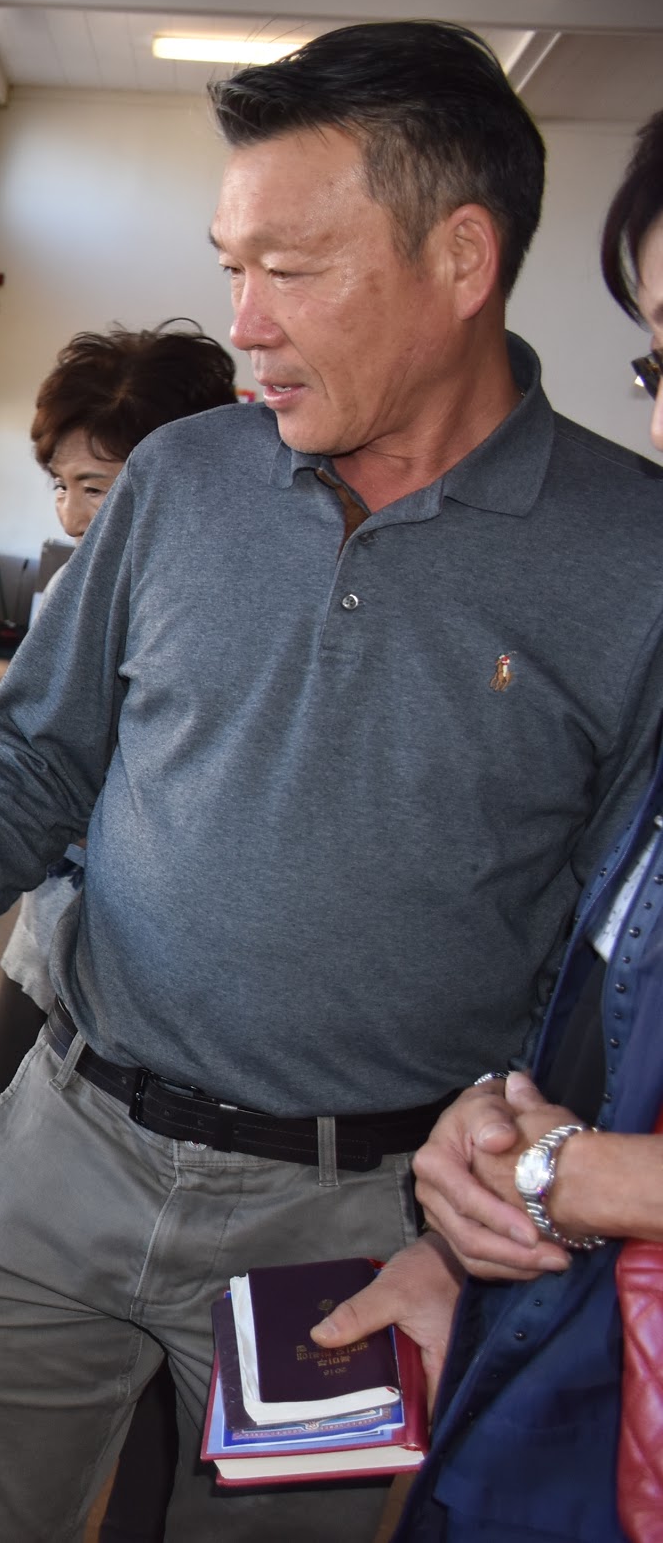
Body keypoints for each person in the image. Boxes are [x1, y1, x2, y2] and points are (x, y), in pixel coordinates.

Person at [0, 23, 663, 1541]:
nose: (242, 323)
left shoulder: (631, 562)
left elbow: (611, 974)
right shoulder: (186, 482)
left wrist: (472, 1240)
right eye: (229, 262)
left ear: (463, 261)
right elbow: (43, 756)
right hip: (69, 1143)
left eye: (294, 269)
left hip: (356, 1222)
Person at [315, 106, 663, 1543]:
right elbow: (607, 973)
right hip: (572, 1388)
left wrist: (560, 1177)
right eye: (662, 360)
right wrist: (498, 1157)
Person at [0, 321, 239, 1113]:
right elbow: (28, 763)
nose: (71, 514)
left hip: (160, 964)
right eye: (60, 484)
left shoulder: (226, 605)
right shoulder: (69, 597)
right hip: (55, 925)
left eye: (96, 485)